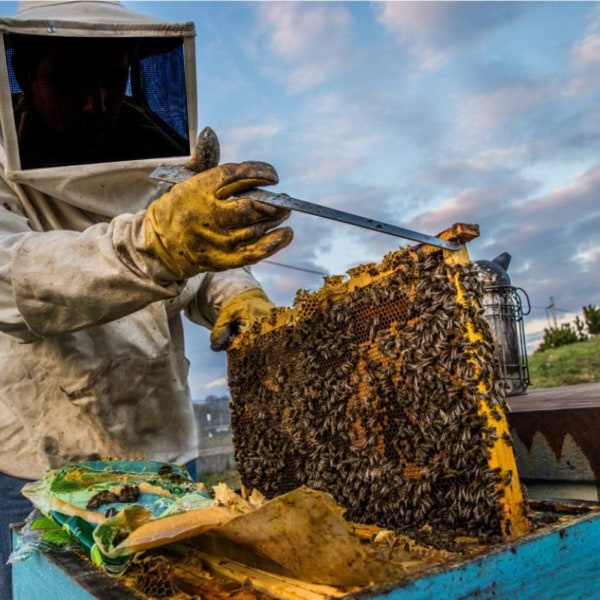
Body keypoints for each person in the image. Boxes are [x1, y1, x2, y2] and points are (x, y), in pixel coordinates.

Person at [0, 2, 293, 597]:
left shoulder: (159, 160)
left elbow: (202, 267)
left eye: (113, 78)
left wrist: (240, 296)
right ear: (27, 76)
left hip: (165, 450)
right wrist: (156, 242)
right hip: (40, 467)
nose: (98, 101)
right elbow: (15, 281)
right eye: (71, 81)